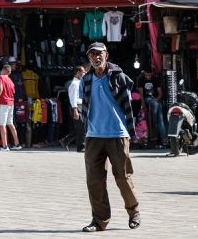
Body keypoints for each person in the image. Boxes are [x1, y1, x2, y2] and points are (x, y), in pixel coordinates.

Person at [80, 42, 140, 232]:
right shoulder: (86, 79)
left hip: (117, 134)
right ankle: (99, 221)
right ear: (89, 58)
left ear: (107, 55)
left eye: (99, 54)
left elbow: (129, 106)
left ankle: (134, 212)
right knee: (94, 181)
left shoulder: (118, 76)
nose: (96, 57)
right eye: (92, 55)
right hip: (93, 136)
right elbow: (85, 107)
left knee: (122, 178)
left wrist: (130, 132)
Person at [59, 66, 87, 152]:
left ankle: (65, 140)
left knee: (80, 127)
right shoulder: (74, 84)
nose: (84, 73)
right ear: (78, 72)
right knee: (81, 126)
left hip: (81, 106)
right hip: (76, 106)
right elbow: (72, 97)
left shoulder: (79, 83)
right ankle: (80, 147)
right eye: (83, 72)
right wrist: (75, 109)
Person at [136, 68, 166, 149]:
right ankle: (154, 121)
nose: (148, 77)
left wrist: (156, 99)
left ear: (152, 74)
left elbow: (160, 93)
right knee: (155, 104)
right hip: (147, 99)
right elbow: (141, 95)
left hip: (155, 100)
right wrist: (144, 105)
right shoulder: (141, 80)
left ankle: (164, 139)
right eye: (146, 75)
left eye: (149, 75)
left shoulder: (155, 79)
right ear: (144, 73)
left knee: (161, 120)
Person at [0, 64, 23, 151]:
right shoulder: (11, 81)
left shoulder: (0, 77)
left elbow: (0, 88)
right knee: (10, 123)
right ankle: (17, 144)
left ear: (3, 70)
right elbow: (13, 92)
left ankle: (5, 146)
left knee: (2, 125)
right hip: (11, 103)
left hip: (3, 102)